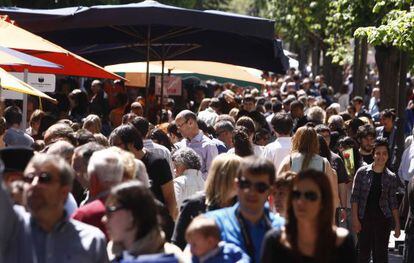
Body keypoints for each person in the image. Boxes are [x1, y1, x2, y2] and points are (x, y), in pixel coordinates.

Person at [0, 153, 108, 263]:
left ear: (64, 191)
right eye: (29, 178)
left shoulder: (91, 240)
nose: (34, 184)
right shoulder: (11, 228)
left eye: (44, 178)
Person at [261, 169, 356, 263]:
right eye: (296, 195)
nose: (301, 201)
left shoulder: (344, 242)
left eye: (310, 196)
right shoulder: (273, 241)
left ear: (323, 201)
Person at [205, 156, 284, 263]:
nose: (251, 192)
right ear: (236, 185)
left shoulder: (283, 228)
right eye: (245, 184)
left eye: (260, 187)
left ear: (270, 190)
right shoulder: (213, 223)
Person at [172, 154, 242, 250]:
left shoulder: (245, 206)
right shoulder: (194, 204)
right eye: (237, 176)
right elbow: (178, 244)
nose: (241, 182)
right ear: (221, 177)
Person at [103, 181, 184, 262]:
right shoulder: (110, 253)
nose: (104, 219)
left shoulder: (172, 257)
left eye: (110, 211)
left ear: (132, 214)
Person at [109, 124, 177, 219]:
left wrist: (169, 224)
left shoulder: (157, 162)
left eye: (116, 145)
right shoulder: (119, 166)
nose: (113, 150)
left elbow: (170, 198)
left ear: (131, 144)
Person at [351, 138, 400, 262]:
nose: (381, 156)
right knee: (363, 254)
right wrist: (355, 219)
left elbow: (393, 202)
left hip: (383, 220)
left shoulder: (391, 177)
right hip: (363, 219)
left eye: (384, 153)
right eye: (378, 153)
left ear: (388, 156)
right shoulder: (362, 173)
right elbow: (355, 197)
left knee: (381, 255)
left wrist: (397, 225)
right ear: (373, 154)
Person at [278, 126, 340, 209]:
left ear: (296, 139)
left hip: (294, 210)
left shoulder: (288, 160)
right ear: (315, 141)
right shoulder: (324, 162)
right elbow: (332, 194)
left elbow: (278, 187)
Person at [71, 148, 124, 237]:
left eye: (78, 170)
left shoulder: (85, 214)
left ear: (93, 178)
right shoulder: (139, 204)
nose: (76, 176)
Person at [186, 216, 250, 263]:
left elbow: (245, 258)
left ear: (210, 242)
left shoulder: (229, 249)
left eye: (194, 245)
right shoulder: (197, 259)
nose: (191, 250)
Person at [175, 110, 218, 179]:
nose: (178, 130)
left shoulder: (209, 145)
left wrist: (190, 179)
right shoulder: (182, 143)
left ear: (190, 123)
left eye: (179, 126)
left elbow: (212, 174)